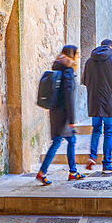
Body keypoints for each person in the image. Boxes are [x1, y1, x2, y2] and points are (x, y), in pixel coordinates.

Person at [35, 45, 86, 186]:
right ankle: (43, 172)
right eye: (77, 54)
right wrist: (71, 120)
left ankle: (73, 171)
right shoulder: (68, 71)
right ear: (72, 55)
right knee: (58, 142)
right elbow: (68, 96)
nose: (79, 56)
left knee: (70, 141)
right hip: (63, 114)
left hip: (56, 112)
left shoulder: (58, 68)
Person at [82, 39, 112, 172]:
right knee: (108, 132)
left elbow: (85, 81)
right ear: (111, 47)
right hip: (110, 101)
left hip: (94, 101)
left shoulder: (89, 61)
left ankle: (92, 156)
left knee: (96, 130)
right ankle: (106, 163)